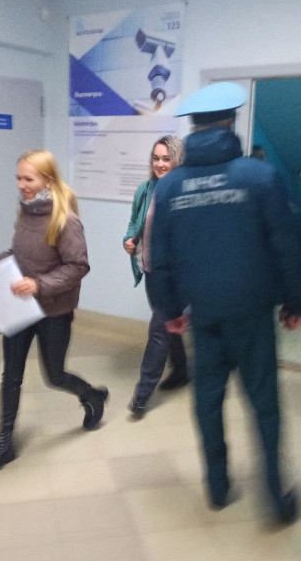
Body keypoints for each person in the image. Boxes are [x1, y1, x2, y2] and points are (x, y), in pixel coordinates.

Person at [146, 82, 301, 523]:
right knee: (264, 403)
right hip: (252, 314)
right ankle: (275, 498)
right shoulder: (260, 176)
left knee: (207, 400)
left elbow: (159, 257)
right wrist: (296, 301)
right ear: (231, 122)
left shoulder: (170, 187)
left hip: (203, 315)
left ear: (193, 129)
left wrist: (169, 311)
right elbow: (288, 244)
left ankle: (217, 488)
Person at [0, 150, 109, 476]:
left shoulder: (65, 220)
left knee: (55, 375)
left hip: (54, 311)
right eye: (18, 178)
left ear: (48, 181)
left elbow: (78, 267)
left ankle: (91, 395)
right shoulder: (26, 212)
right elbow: (21, 253)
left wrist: (39, 284)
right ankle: (4, 442)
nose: (21, 185)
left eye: (28, 179)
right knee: (11, 375)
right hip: (19, 308)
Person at [123, 135, 190, 418]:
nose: (160, 164)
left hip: (176, 276)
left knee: (158, 330)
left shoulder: (185, 192)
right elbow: (134, 223)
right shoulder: (145, 190)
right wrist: (129, 240)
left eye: (166, 159)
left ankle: (142, 394)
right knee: (168, 325)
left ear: (178, 161)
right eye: (156, 158)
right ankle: (181, 370)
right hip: (151, 270)